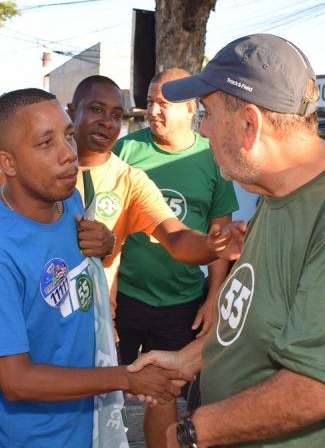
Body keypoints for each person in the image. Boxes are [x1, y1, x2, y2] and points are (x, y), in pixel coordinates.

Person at [128, 34, 325, 447]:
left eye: (208, 116)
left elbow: (322, 388)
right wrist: (187, 361)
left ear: (250, 125)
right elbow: (251, 321)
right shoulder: (275, 194)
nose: (205, 131)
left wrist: (192, 434)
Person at [0, 88, 191, 448]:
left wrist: (109, 244)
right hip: (28, 438)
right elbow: (16, 381)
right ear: (8, 163)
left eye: (67, 135)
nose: (69, 154)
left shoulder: (68, 200)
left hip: (83, 423)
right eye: (45, 143)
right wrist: (125, 378)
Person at [0, 75, 242, 346]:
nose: (107, 122)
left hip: (89, 331)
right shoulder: (25, 174)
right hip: (23, 326)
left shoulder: (129, 180)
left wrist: (211, 245)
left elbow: (176, 238)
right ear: (72, 110)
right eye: (97, 109)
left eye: (116, 115)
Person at [112, 69, 239, 448]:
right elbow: (107, 223)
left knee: (162, 391)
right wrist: (108, 290)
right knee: (102, 383)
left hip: (180, 301)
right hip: (125, 297)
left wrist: (214, 296)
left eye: (163, 104)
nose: (152, 111)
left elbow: (220, 237)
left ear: (190, 109)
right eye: (150, 102)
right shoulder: (126, 151)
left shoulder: (211, 156)